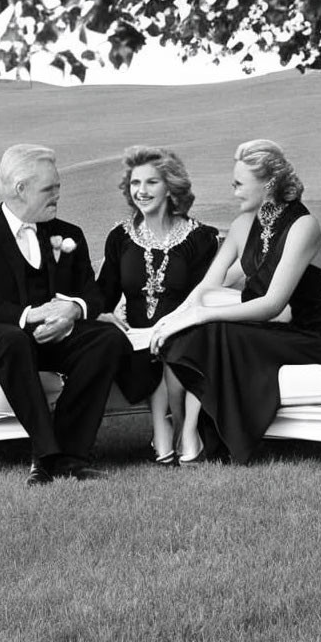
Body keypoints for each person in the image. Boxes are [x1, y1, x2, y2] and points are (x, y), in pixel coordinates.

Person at [149, 139, 321, 464]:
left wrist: (202, 315)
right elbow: (207, 286)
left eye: (238, 184)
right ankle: (189, 432)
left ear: (269, 184)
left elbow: (273, 304)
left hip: (315, 337)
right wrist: (175, 317)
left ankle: (207, 436)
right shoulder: (242, 225)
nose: (233, 192)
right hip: (271, 332)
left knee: (215, 330)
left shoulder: (303, 226)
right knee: (193, 332)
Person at [0, 144, 132, 485]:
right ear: (20, 189)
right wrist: (26, 315)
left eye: (58, 187)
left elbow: (92, 295)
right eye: (50, 189)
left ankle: (71, 456)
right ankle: (45, 453)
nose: (58, 196)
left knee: (105, 338)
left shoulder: (70, 234)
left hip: (56, 337)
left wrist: (72, 311)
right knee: (14, 340)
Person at [96, 146, 220, 466]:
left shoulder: (200, 237)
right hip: (134, 339)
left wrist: (171, 326)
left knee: (173, 346)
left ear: (170, 186)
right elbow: (104, 293)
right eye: (135, 183)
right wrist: (102, 313)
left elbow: (203, 295)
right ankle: (165, 427)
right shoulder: (119, 237)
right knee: (151, 348)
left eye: (151, 182)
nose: (141, 191)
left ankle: (177, 428)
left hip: (184, 332)